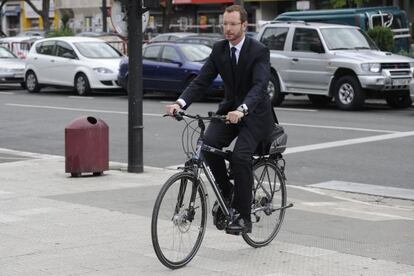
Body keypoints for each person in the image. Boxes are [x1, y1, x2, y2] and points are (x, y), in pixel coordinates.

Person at [165, 5, 273, 234]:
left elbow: (259, 86)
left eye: (233, 24)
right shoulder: (220, 50)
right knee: (207, 146)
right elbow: (201, 81)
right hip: (229, 111)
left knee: (240, 158)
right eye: (225, 24)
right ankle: (227, 191)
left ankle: (244, 218)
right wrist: (180, 103)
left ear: (244, 25)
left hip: (254, 114)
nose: (228, 29)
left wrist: (243, 109)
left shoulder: (259, 50)